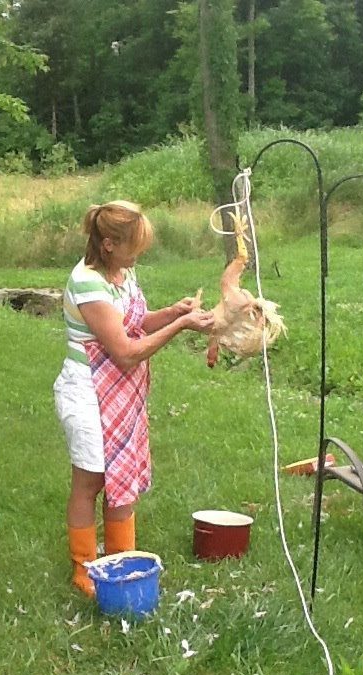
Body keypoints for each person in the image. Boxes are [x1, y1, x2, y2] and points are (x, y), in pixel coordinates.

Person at [53, 200, 215, 597]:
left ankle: (122, 562)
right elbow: (125, 352)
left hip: (122, 395)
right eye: (133, 247)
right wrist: (181, 325)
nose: (138, 255)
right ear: (108, 244)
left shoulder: (122, 273)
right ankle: (84, 568)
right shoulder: (87, 283)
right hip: (88, 392)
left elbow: (134, 323)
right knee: (91, 482)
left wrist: (171, 312)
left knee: (121, 476)